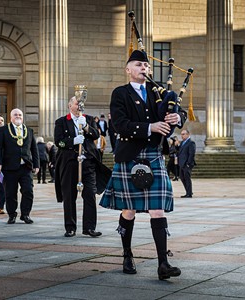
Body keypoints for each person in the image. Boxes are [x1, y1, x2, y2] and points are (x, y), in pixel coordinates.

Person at [99, 50, 187, 280]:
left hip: (154, 154)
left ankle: (163, 264)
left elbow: (177, 109)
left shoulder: (158, 91)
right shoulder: (120, 93)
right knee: (128, 211)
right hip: (130, 156)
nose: (144, 68)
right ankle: (127, 254)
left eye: (146, 66)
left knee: (157, 209)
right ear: (128, 69)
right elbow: (119, 125)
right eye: (138, 65)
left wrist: (177, 118)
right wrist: (150, 127)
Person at [54, 96, 104, 238]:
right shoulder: (62, 122)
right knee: (69, 196)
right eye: (77, 103)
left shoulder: (88, 119)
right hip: (69, 162)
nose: (79, 106)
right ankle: (70, 227)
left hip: (87, 162)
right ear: (70, 105)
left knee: (90, 195)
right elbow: (59, 142)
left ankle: (89, 227)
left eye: (81, 104)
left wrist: (87, 127)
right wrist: (73, 141)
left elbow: (96, 135)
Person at [0, 108, 39, 225]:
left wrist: (37, 164)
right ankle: (12, 214)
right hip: (9, 167)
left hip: (26, 167)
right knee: (10, 193)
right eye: (15, 115)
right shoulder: (3, 130)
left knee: (28, 191)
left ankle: (25, 214)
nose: (18, 116)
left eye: (20, 115)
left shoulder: (29, 130)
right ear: (11, 117)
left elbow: (34, 149)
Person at [178, 129, 196, 198]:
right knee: (182, 178)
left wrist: (188, 163)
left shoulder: (191, 143)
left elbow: (191, 154)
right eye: (181, 134)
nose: (182, 136)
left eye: (183, 134)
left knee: (187, 178)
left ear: (188, 134)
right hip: (181, 163)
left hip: (187, 164)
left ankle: (189, 193)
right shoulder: (182, 142)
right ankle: (188, 191)